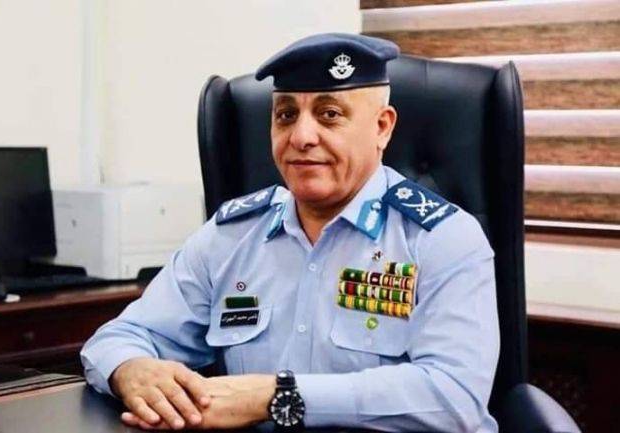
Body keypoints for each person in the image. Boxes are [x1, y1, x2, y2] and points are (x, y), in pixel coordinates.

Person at [81, 33, 500, 432]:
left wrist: (276, 396)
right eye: (285, 115)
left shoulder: (442, 238)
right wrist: (130, 370)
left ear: (382, 127)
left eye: (329, 114)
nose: (301, 137)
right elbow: (119, 338)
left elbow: (455, 397)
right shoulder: (230, 236)